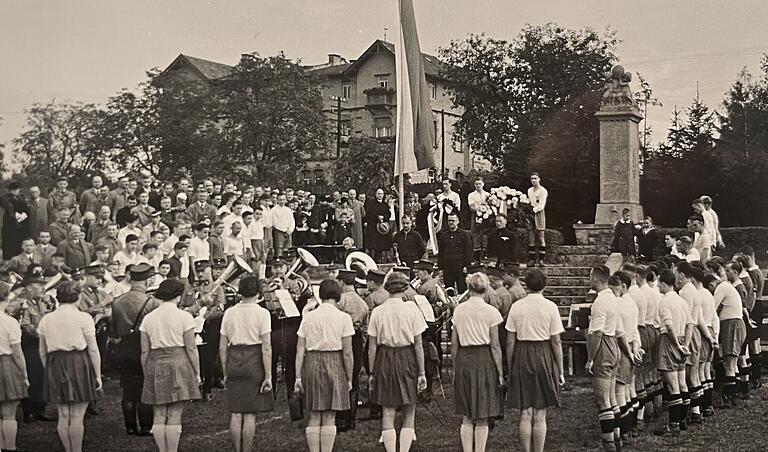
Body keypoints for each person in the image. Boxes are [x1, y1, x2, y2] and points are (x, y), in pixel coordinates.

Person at [37, 280, 102, 452]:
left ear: (58, 298)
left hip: (55, 364)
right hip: (78, 363)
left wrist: (49, 370)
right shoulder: (84, 317)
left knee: (63, 415)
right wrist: (97, 374)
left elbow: (42, 351)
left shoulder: (46, 319)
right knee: (77, 416)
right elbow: (93, 349)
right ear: (78, 297)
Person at [367, 272, 428, 452]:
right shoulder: (412, 309)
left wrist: (372, 372)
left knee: (388, 409)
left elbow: (372, 346)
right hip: (407, 357)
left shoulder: (378, 311)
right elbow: (418, 344)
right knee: (409, 408)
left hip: (384, 358)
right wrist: (422, 372)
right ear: (404, 288)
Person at [505, 268, 564, 452]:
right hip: (543, 353)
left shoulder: (517, 306)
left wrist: (510, 365)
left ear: (526, 284)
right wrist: (560, 370)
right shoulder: (550, 307)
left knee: (525, 410)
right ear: (544, 285)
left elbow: (510, 341)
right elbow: (555, 341)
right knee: (540, 411)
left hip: (522, 354)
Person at [139, 279, 201, 452]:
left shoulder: (148, 318)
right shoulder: (184, 316)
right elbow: (191, 348)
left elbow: (144, 351)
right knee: (175, 413)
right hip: (179, 363)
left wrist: (147, 372)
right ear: (178, 296)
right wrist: (197, 372)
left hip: (155, 363)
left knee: (158, 414)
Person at [294, 279, 355, 452]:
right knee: (329, 415)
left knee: (314, 414)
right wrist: (349, 378)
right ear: (338, 295)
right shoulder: (344, 318)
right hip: (335, 362)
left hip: (311, 362)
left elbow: (300, 350)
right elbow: (348, 352)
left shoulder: (308, 317)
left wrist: (298, 376)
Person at [219, 276, 274, 452]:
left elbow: (222, 347)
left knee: (236, 412)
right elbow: (266, 347)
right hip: (254, 359)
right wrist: (268, 375)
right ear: (258, 292)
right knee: (250, 413)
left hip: (234, 358)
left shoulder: (229, 312)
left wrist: (225, 370)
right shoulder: (262, 313)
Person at [451, 272, 504, 452]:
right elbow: (495, 345)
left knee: (466, 414)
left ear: (468, 288)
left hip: (464, 358)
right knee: (482, 412)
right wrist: (500, 372)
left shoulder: (459, 310)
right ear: (486, 288)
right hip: (484, 359)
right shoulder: (491, 312)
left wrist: (454, 366)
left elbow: (454, 343)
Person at [110, 263, 159, 436]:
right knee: (144, 386)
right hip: (144, 345)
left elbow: (114, 328)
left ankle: (130, 426)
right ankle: (146, 426)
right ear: (147, 281)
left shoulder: (117, 302)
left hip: (124, 347)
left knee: (128, 389)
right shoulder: (151, 302)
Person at [585, 265, 629, 451]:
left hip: (603, 346)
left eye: (590, 278)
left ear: (595, 279)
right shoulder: (614, 299)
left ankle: (609, 444)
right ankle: (617, 438)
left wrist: (590, 359)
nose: (589, 281)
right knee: (611, 397)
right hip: (614, 347)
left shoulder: (600, 302)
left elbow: (596, 333)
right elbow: (619, 331)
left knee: (603, 400)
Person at [5, 274, 55, 423]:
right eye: (39, 285)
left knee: (41, 375)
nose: (42, 288)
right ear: (28, 288)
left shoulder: (39, 302)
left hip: (40, 343)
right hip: (28, 345)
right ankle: (29, 411)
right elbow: (25, 326)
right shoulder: (20, 303)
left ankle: (40, 407)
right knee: (31, 375)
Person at [653, 269, 693, 436]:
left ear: (663, 283)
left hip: (670, 341)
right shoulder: (681, 300)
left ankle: (674, 424)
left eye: (658, 283)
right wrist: (686, 345)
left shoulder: (664, 301)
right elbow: (690, 324)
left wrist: (676, 345)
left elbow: (668, 325)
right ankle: (683, 421)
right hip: (683, 340)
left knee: (673, 385)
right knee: (682, 383)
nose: (657, 286)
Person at [335, 269, 369, 432]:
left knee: (342, 376)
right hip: (357, 339)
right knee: (353, 378)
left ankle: (341, 417)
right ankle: (352, 417)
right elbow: (365, 327)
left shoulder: (340, 300)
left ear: (341, 282)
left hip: (343, 339)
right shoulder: (362, 302)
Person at [0, 284, 28, 452]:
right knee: (9, 413)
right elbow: (18, 354)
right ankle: (9, 447)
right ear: (7, 297)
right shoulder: (10, 322)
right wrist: (24, 375)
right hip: (6, 365)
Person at [437, 212, 473, 293]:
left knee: (461, 288)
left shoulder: (464, 235)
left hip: (460, 265)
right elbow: (441, 253)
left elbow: (468, 251)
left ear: (458, 221)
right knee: (449, 288)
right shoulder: (444, 236)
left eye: (453, 220)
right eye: (449, 220)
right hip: (447, 265)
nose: (450, 223)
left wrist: (466, 266)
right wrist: (441, 268)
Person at [1, 182, 30, 259]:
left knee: (19, 242)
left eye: (17, 189)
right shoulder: (5, 198)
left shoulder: (22, 197)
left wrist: (24, 214)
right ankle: (9, 261)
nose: (16, 191)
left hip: (22, 224)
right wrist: (16, 215)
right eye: (14, 189)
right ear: (10, 190)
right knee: (10, 242)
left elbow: (26, 208)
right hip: (10, 224)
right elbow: (8, 208)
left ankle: (20, 260)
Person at [364, 189, 392, 263]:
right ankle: (371, 260)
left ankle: (379, 259)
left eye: (381, 194)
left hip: (381, 228)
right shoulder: (371, 203)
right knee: (372, 246)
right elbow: (369, 213)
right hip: (373, 227)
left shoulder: (385, 204)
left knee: (381, 246)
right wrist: (377, 217)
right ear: (376, 194)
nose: (380, 195)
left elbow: (388, 214)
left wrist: (383, 217)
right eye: (378, 194)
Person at [527, 172, 548, 267]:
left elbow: (541, 205)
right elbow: (529, 201)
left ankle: (541, 260)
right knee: (530, 236)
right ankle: (531, 259)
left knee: (540, 237)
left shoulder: (543, 191)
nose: (533, 180)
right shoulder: (529, 190)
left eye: (535, 178)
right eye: (532, 178)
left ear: (539, 179)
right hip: (529, 214)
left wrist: (533, 210)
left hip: (539, 213)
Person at [467, 177, 490, 260]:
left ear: (483, 184)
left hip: (486, 216)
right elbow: (471, 207)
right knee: (476, 234)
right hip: (476, 215)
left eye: (480, 184)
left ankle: (484, 254)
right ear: (474, 185)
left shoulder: (488, 195)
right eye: (476, 184)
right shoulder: (471, 195)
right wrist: (479, 209)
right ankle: (476, 256)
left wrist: (486, 209)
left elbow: (490, 206)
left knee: (485, 234)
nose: (478, 185)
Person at [271, 194, 295, 259]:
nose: (282, 201)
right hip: (279, 232)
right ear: (277, 200)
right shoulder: (273, 210)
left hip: (288, 232)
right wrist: (284, 230)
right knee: (279, 249)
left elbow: (292, 221)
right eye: (280, 200)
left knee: (288, 250)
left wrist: (290, 230)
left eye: (283, 199)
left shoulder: (288, 210)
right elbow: (275, 223)